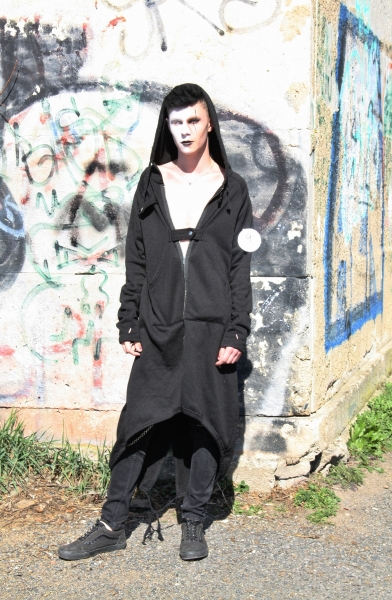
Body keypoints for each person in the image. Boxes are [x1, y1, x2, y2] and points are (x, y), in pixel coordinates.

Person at [58, 83, 253, 562]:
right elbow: (138, 259)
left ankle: (193, 519)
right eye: (176, 122)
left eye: (193, 120)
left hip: (211, 328)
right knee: (140, 424)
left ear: (209, 125)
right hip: (159, 325)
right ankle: (111, 524)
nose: (184, 131)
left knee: (205, 424)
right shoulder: (152, 182)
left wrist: (236, 329)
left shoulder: (232, 188)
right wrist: (129, 320)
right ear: (167, 126)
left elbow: (239, 266)